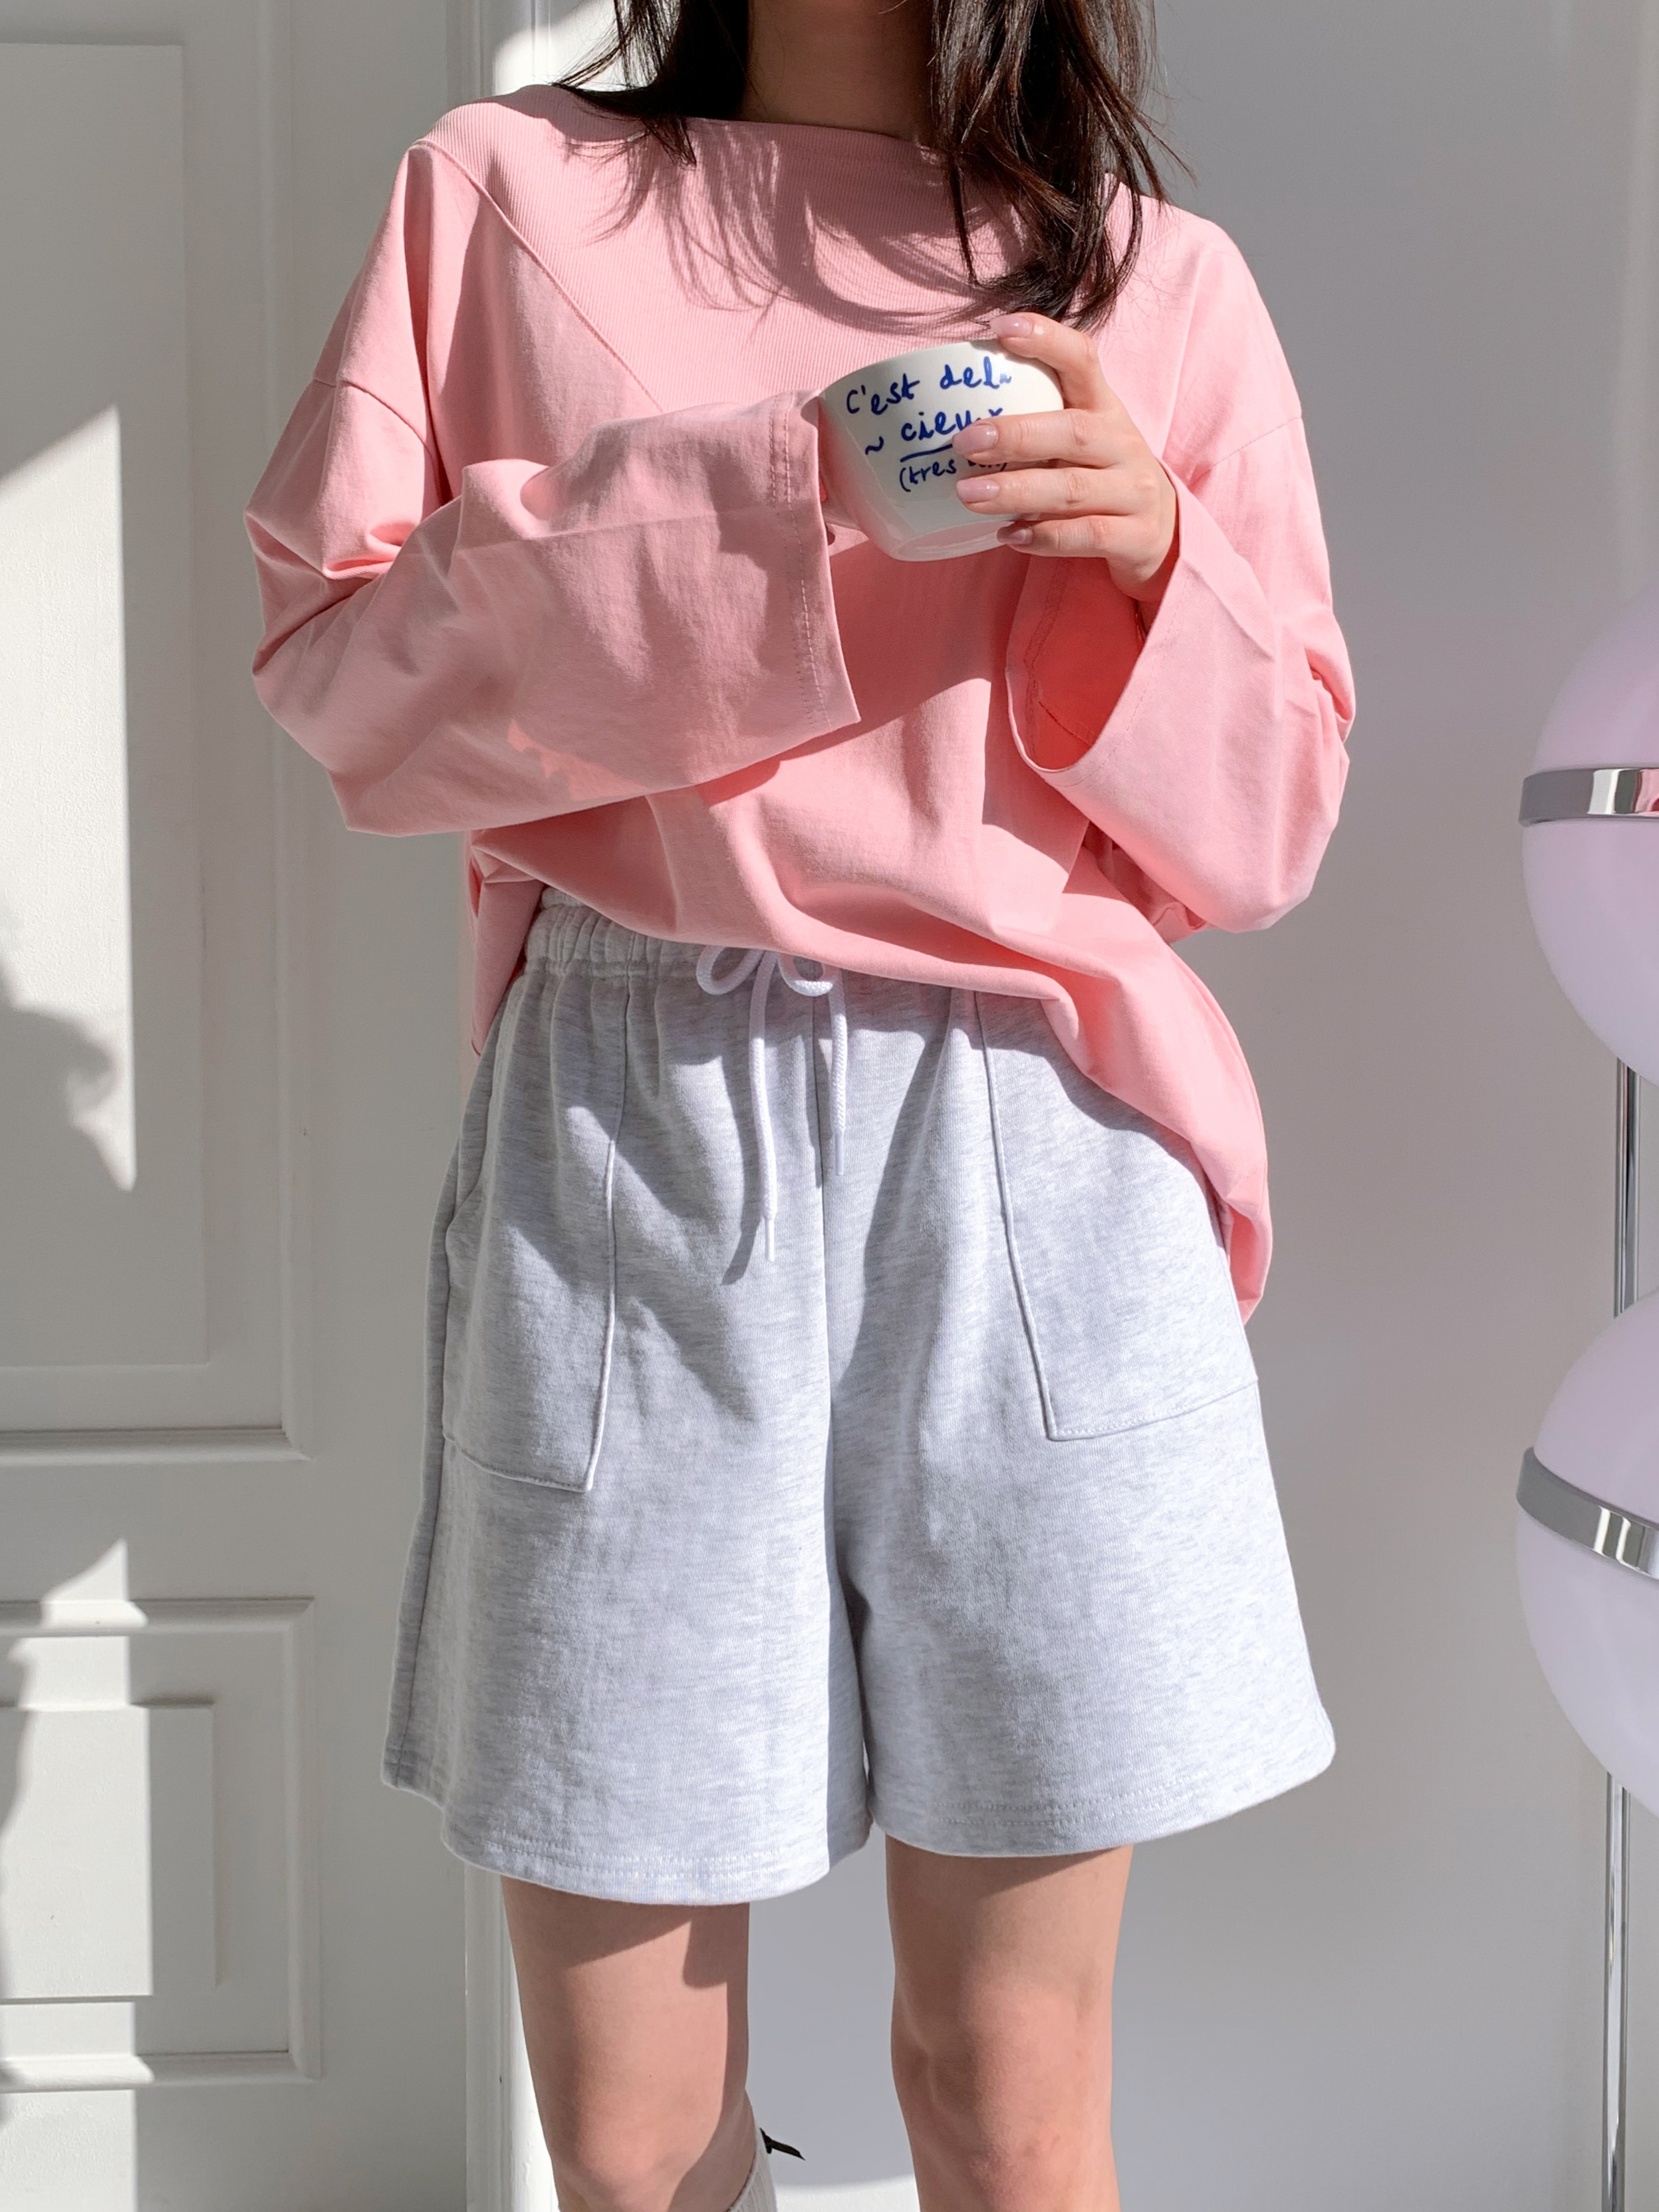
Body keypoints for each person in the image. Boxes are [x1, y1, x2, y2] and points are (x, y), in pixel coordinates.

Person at [245, 0, 1354, 2198]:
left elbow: (1268, 832)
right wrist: (782, 490)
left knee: (1009, 2089)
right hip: (634, 1131)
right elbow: (343, 678)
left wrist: (1156, 563)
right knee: (633, 2140)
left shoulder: (1153, 280)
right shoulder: (505, 197)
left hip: (1039, 1151)